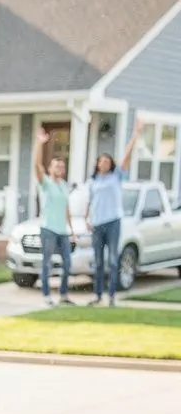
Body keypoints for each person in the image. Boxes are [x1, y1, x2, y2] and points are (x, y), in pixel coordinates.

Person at [86, 118, 143, 306]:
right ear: (97, 164)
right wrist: (88, 218)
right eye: (101, 160)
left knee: (112, 260)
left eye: (107, 160)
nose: (104, 163)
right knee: (98, 261)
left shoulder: (116, 176)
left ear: (111, 164)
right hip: (97, 224)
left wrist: (135, 135)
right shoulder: (93, 182)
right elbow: (90, 201)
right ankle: (97, 295)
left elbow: (126, 157)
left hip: (113, 222)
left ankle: (111, 296)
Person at [34, 127, 75, 307]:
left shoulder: (64, 186)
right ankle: (46, 296)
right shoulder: (46, 184)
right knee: (47, 264)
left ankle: (64, 295)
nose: (60, 168)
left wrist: (72, 229)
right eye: (57, 166)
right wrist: (39, 143)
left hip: (62, 230)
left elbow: (66, 209)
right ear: (50, 169)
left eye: (62, 166)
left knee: (68, 264)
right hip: (48, 229)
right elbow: (37, 165)